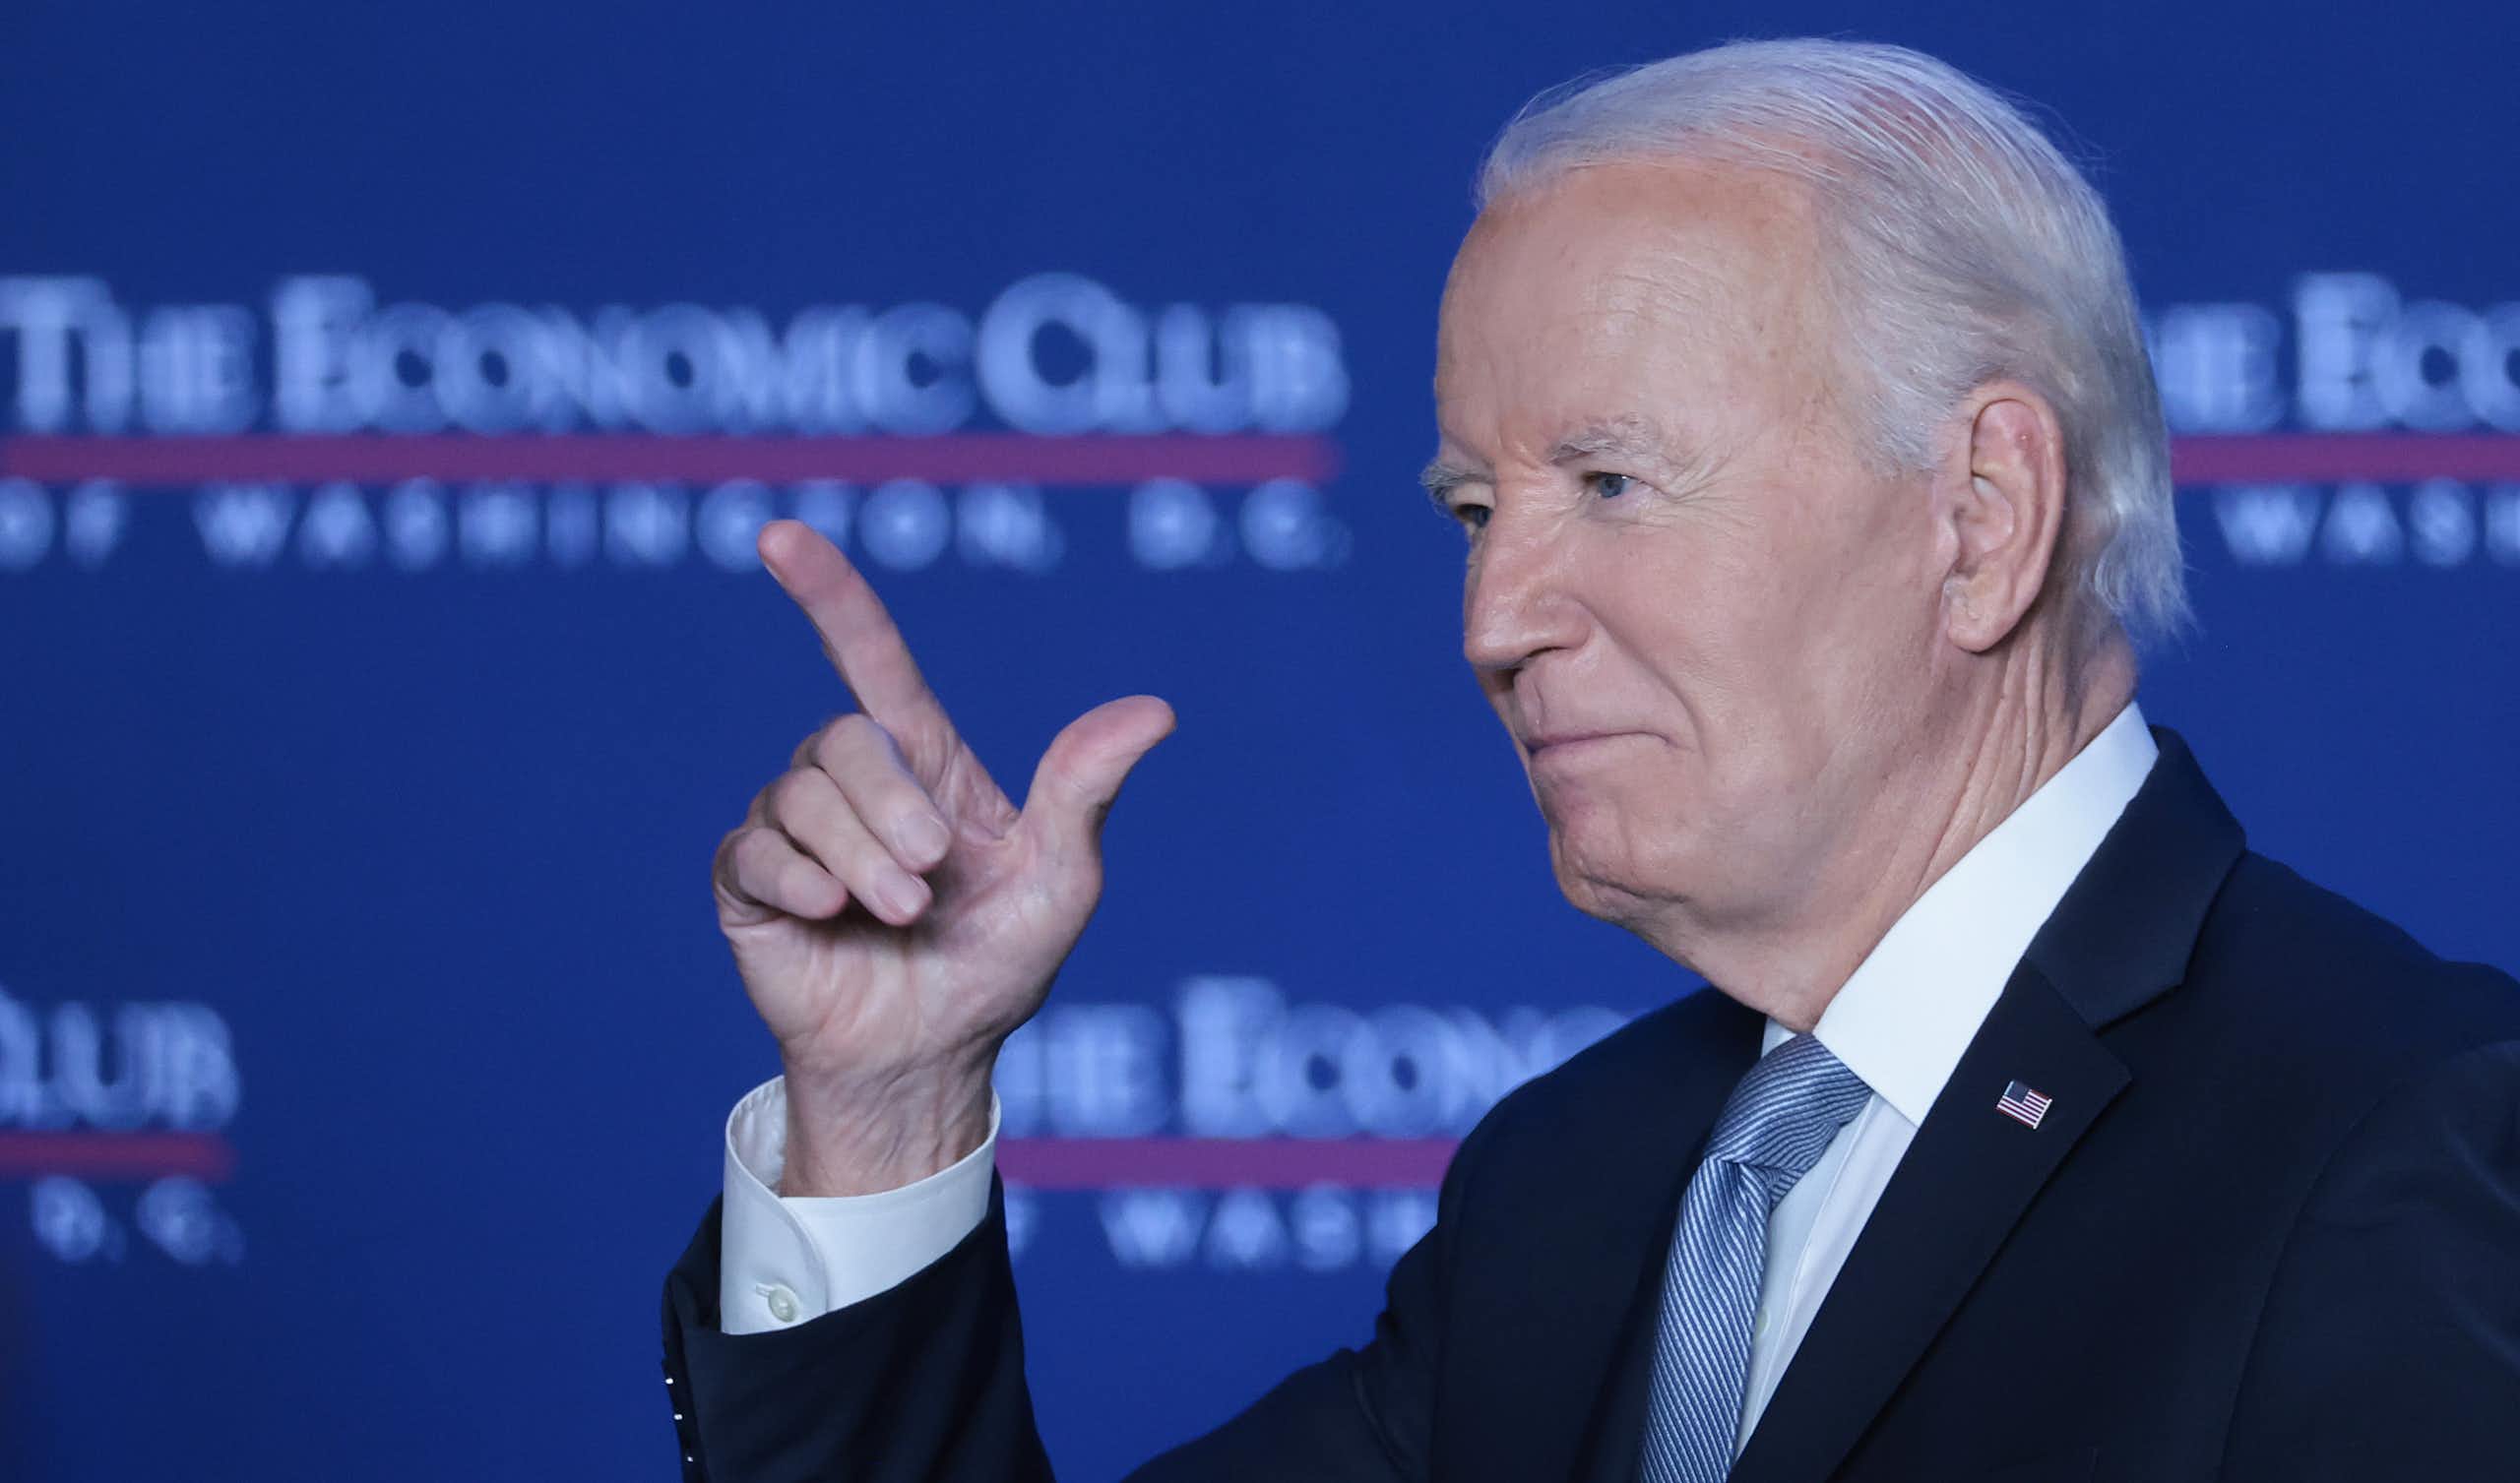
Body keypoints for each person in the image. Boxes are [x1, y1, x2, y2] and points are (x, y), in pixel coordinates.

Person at [660, 38, 2520, 1483]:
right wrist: (890, 1109)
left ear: (1979, 517)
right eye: (1474, 506)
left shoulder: (2401, 1139)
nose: (1493, 617)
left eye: (1610, 483)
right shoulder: (1580, 1184)